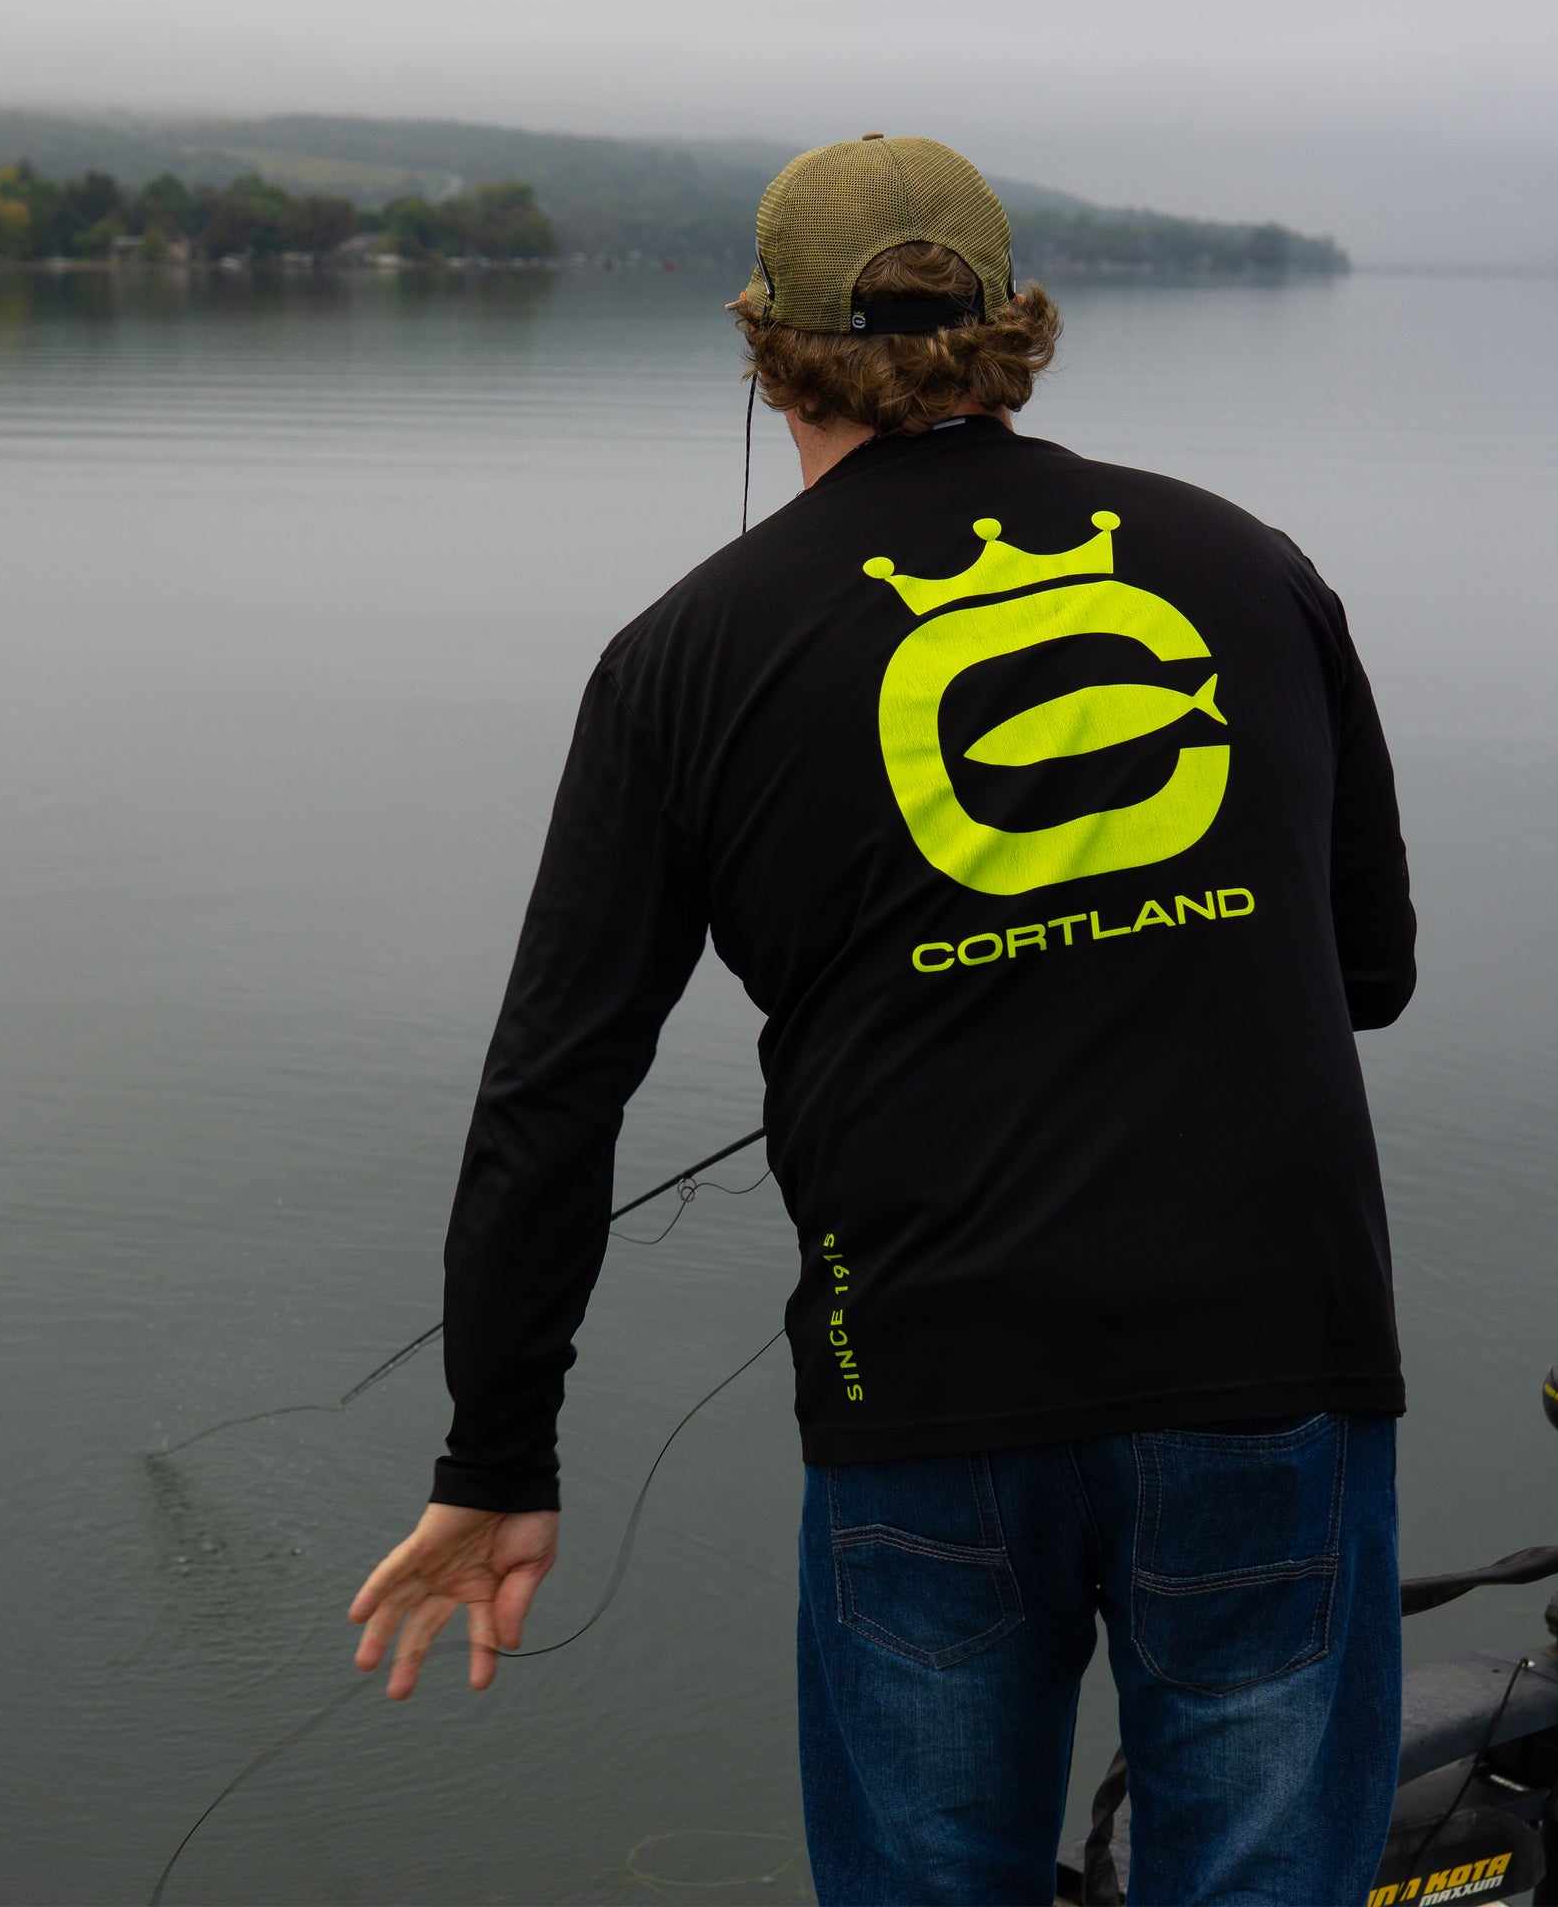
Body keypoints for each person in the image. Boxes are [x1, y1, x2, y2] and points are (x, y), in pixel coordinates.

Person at [349, 135, 1416, 1907]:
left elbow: (554, 1096)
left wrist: (498, 1456)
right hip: (1274, 1369)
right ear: (1014, 331)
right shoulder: (1251, 568)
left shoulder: (685, 656)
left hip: (922, 1389)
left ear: (763, 349)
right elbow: (1365, 971)